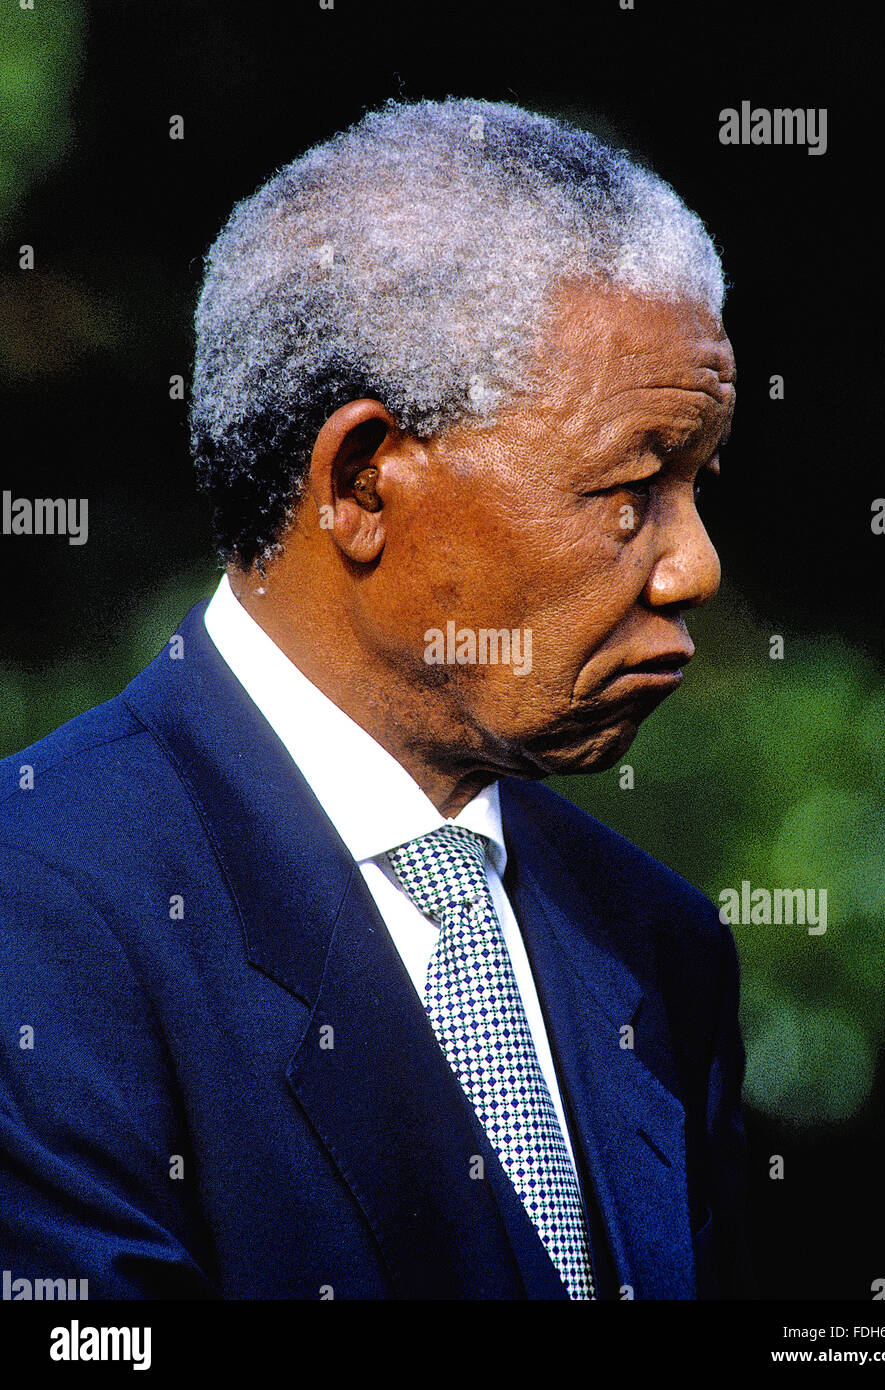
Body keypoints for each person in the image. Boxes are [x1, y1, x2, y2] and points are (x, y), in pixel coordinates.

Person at [0, 98, 747, 1300]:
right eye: (630, 487)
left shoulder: (653, 943)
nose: (692, 564)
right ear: (360, 483)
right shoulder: (40, 913)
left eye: (698, 482)